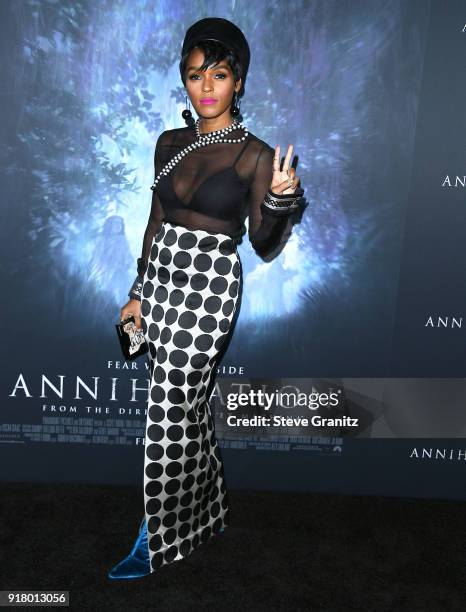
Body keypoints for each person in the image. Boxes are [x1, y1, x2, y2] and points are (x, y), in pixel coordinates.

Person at [108, 16, 306, 580]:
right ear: (185, 82)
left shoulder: (254, 153)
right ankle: (210, 508)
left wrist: (280, 200)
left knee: (169, 407)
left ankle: (158, 535)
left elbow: (265, 243)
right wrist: (138, 291)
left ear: (237, 81)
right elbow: (155, 219)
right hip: (164, 276)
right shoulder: (169, 143)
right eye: (195, 76)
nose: (206, 87)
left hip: (210, 286)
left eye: (218, 75)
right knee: (190, 407)